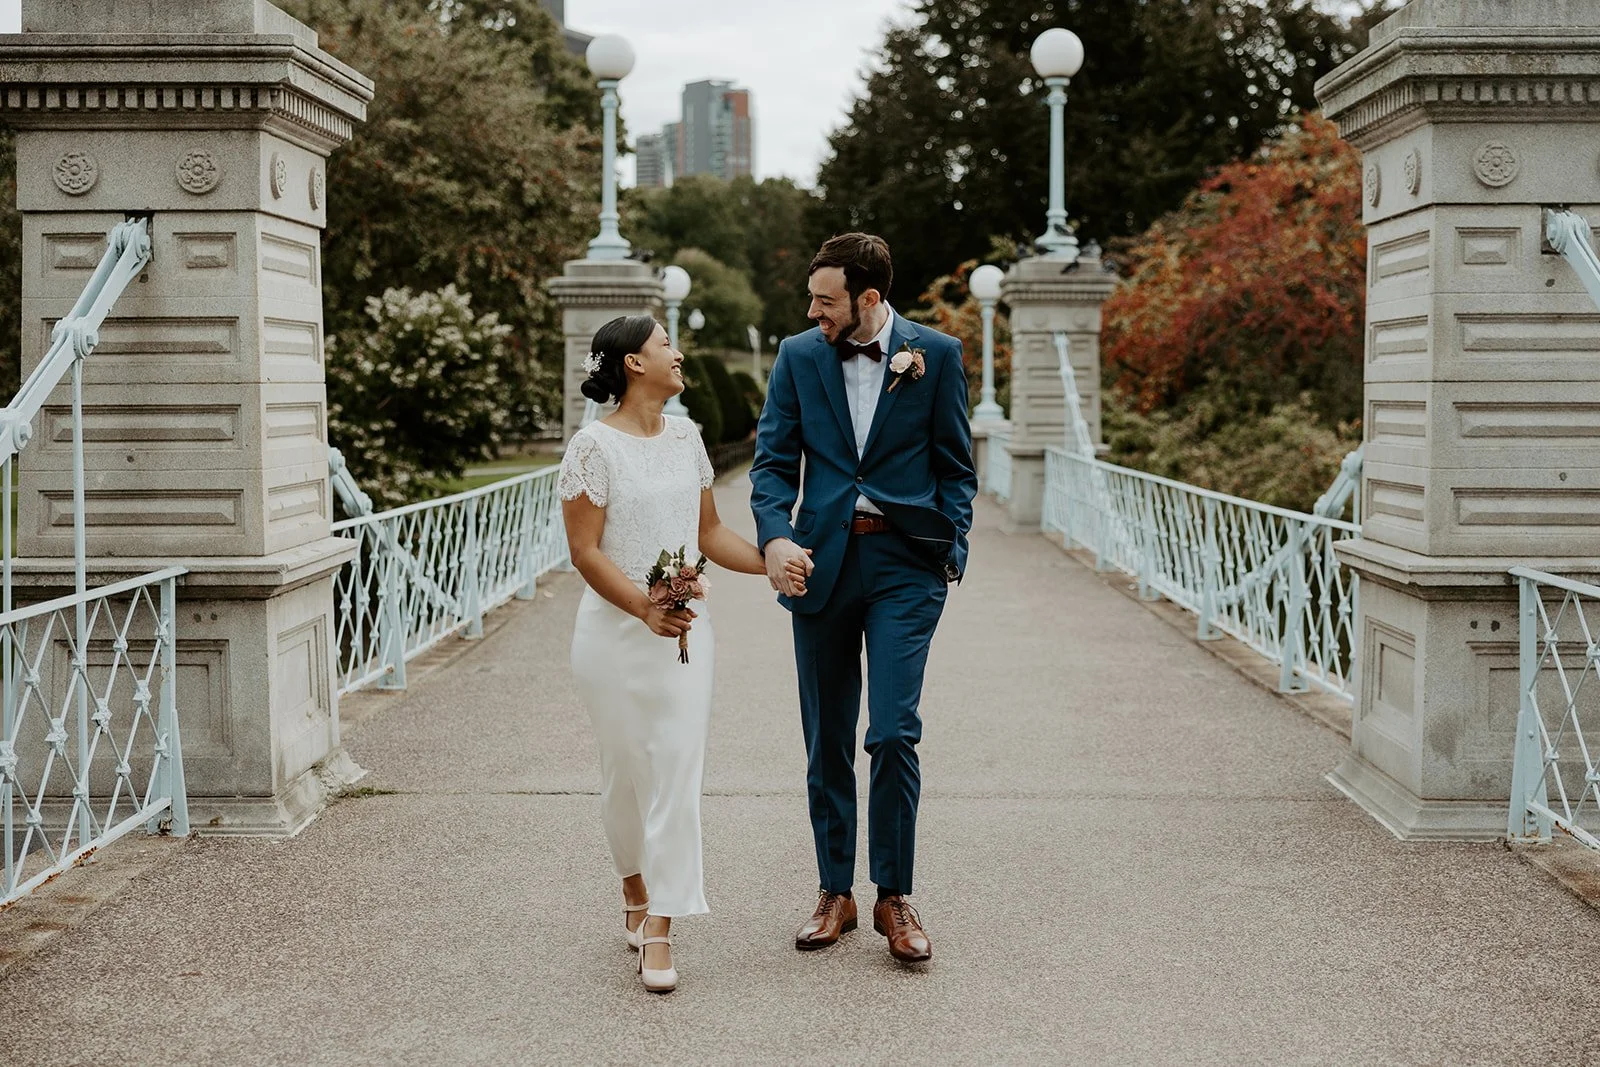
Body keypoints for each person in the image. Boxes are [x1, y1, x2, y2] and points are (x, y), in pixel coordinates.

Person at [559, 314, 807, 993]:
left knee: (675, 772)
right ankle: (634, 886)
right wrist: (641, 604)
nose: (679, 352)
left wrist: (773, 564)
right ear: (633, 363)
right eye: (666, 343)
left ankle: (662, 927)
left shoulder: (690, 437)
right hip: (611, 635)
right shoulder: (591, 448)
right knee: (623, 778)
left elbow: (710, 532)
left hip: (686, 636)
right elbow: (584, 551)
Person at [750, 232, 978, 964]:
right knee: (828, 737)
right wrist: (774, 538)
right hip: (820, 562)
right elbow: (772, 465)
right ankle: (833, 891)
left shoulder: (935, 356)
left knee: (893, 730)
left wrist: (951, 549)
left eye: (825, 299)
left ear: (869, 298)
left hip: (906, 566)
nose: (812, 310)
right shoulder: (798, 356)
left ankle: (893, 895)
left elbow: (956, 467)